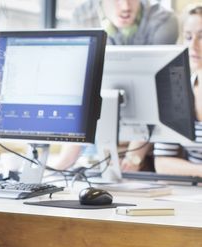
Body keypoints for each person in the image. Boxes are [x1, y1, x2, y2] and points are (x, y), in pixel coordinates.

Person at [130, 4, 202, 247]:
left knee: (185, 246)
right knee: (145, 245)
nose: (194, 46)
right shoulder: (179, 90)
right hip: (183, 199)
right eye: (188, 36)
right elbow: (164, 161)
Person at [51, 0, 179, 172]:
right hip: (95, 131)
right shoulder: (82, 16)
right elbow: (83, 87)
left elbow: (155, 93)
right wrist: (62, 163)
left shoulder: (163, 20)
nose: (125, 6)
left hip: (142, 137)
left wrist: (134, 158)